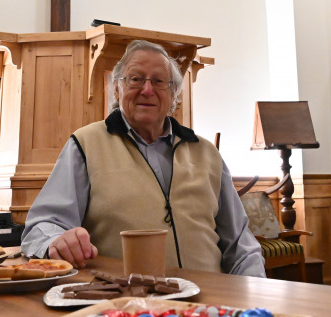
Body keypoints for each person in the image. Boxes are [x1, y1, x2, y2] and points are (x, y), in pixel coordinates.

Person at [21, 40, 264, 277]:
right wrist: (56, 241)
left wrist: (257, 294)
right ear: (117, 88)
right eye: (135, 79)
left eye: (159, 81)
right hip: (123, 304)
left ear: (173, 93)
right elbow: (41, 226)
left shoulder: (207, 153)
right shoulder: (84, 145)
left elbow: (241, 245)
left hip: (212, 305)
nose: (147, 90)